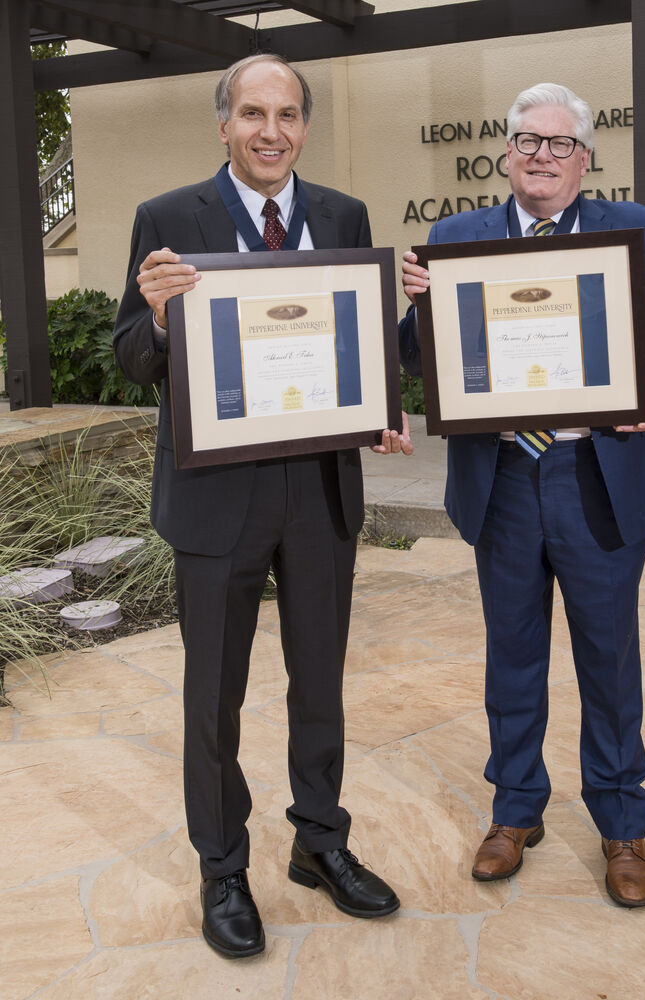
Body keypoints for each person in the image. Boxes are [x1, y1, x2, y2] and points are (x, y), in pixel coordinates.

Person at [114, 53, 412, 959]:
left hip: (319, 490)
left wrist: (378, 411)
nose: (270, 131)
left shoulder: (342, 216)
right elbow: (132, 356)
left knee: (319, 683)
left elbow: (361, 350)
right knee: (216, 697)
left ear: (304, 126)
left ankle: (321, 843)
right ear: (224, 124)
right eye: (253, 114)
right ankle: (223, 867)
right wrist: (159, 316)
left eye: (286, 114)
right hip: (215, 497)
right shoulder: (168, 219)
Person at [399, 82, 645, 908]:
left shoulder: (632, 231)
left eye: (559, 143)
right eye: (528, 141)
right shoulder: (456, 238)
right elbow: (419, 354)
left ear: (585, 158)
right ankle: (515, 810)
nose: (542, 155)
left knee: (607, 657)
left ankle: (620, 822)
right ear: (507, 152)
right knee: (514, 651)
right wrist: (414, 307)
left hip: (594, 475)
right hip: (500, 476)